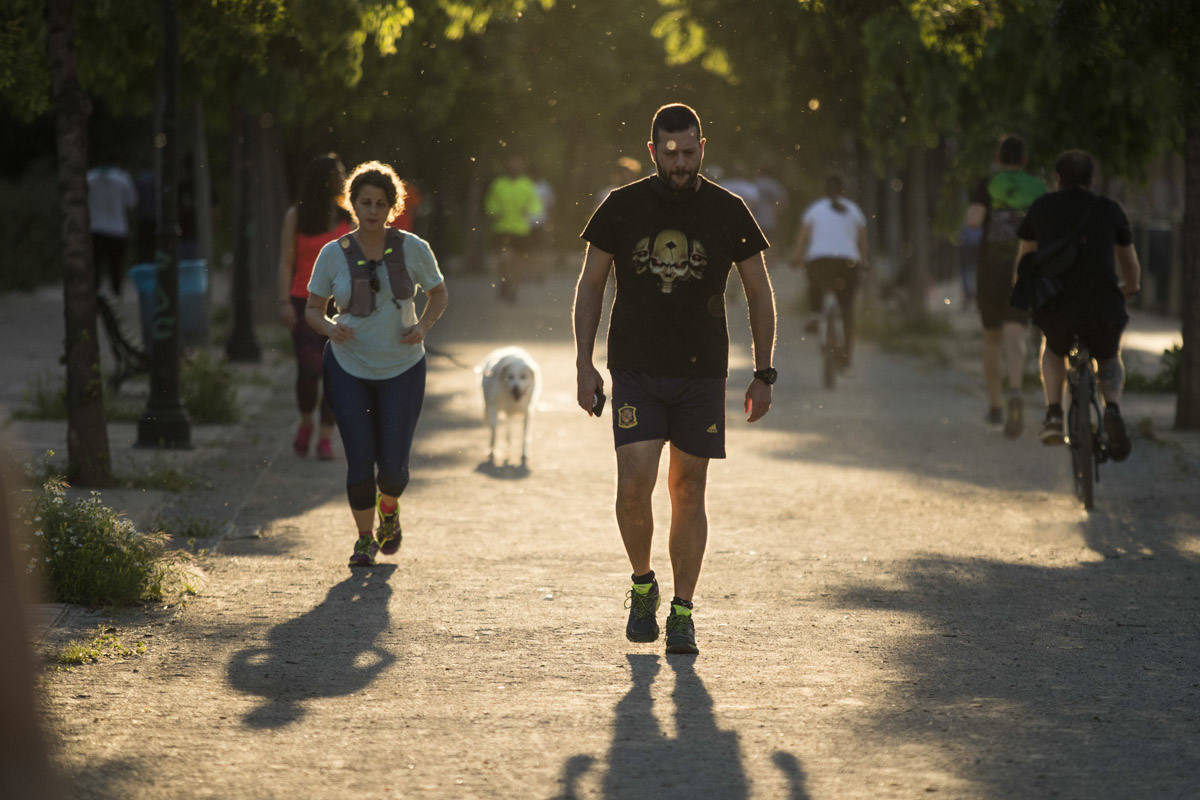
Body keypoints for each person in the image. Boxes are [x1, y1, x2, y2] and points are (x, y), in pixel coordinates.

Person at [573, 102, 776, 655]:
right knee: (634, 489)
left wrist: (763, 372)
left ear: (702, 148)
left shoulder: (728, 210)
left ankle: (683, 611)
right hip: (635, 368)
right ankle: (643, 585)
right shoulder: (622, 206)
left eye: (690, 153)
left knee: (689, 488)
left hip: (701, 374)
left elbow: (760, 291)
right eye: (670, 153)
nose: (681, 163)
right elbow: (591, 285)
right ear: (653, 150)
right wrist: (583, 363)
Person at [305, 160, 448, 566]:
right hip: (347, 366)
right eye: (364, 202)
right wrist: (330, 327)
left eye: (380, 203)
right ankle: (364, 539)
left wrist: (423, 325)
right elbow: (313, 309)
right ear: (351, 204)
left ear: (392, 207)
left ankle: (390, 509)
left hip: (402, 368)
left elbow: (439, 294)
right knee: (359, 461)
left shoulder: (413, 248)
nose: (371, 210)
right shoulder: (333, 254)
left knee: (394, 471)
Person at [1015, 150, 1141, 460]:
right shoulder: (1110, 210)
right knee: (1109, 356)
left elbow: (1024, 259)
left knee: (1054, 348)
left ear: (1057, 179)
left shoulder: (1041, 207)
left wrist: (1024, 290)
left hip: (1057, 303)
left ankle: (1055, 413)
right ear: (1091, 179)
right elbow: (1129, 263)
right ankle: (1111, 407)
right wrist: (1131, 288)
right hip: (1102, 303)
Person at [965, 135, 1046, 437]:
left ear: (999, 158)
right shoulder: (1038, 188)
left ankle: (996, 406)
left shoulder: (988, 184)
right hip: (1024, 270)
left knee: (991, 338)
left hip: (991, 269)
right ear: (1024, 160)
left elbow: (973, 221)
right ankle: (1015, 389)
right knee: (1016, 333)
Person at [278, 153, 355, 460]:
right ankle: (307, 422)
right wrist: (283, 301)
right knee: (309, 369)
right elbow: (286, 262)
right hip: (303, 300)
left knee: (336, 374)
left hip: (342, 304)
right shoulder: (296, 216)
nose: (340, 181)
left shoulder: (347, 216)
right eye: (335, 176)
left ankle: (326, 436)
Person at [788, 174, 868, 368]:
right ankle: (847, 355)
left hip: (820, 261)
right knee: (847, 309)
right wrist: (864, 261)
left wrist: (796, 258)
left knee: (815, 284)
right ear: (843, 191)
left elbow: (803, 237)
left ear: (825, 191)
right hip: (848, 263)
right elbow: (862, 241)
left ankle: (815, 314)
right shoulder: (855, 210)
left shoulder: (815, 209)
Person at [484, 155, 543, 302]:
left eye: (517, 164)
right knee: (504, 258)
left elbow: (535, 204)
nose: (514, 167)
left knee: (519, 262)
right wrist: (494, 211)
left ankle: (514, 289)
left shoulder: (526, 184)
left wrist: (529, 211)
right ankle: (504, 280)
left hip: (521, 229)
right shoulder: (499, 184)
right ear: (506, 166)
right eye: (511, 163)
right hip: (502, 228)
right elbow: (490, 203)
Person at [87, 162, 137, 295]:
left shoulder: (88, 178)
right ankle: (116, 293)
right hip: (117, 229)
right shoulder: (123, 179)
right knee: (116, 265)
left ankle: (95, 293)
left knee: (96, 264)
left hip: (96, 228)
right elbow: (131, 203)